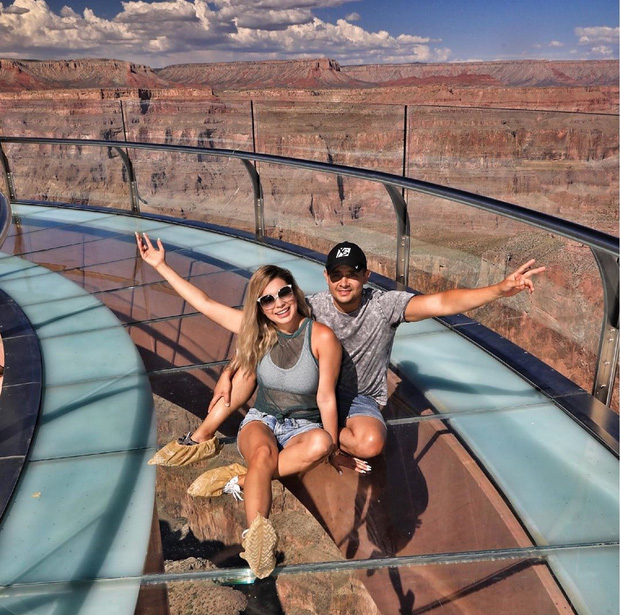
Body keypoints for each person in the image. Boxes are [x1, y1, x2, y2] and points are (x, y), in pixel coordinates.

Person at [145, 238, 545, 467]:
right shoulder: (311, 306)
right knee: (254, 361)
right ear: (326, 277)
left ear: (365, 276)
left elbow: (441, 303)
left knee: (371, 443)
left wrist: (499, 290)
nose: (344, 281)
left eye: (352, 273)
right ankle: (206, 436)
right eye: (336, 274)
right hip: (305, 396)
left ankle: (253, 470)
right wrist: (163, 268)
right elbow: (230, 317)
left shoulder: (385, 305)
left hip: (355, 400)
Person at [136, 233, 344, 578]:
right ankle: (258, 536)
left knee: (321, 444)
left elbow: (325, 397)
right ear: (259, 306)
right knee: (263, 456)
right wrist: (161, 266)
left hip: (304, 426)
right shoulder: (258, 331)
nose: (279, 303)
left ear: (295, 292)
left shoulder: (320, 337)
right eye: (267, 299)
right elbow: (204, 304)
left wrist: (334, 446)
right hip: (262, 419)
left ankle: (241, 479)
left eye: (284, 292)